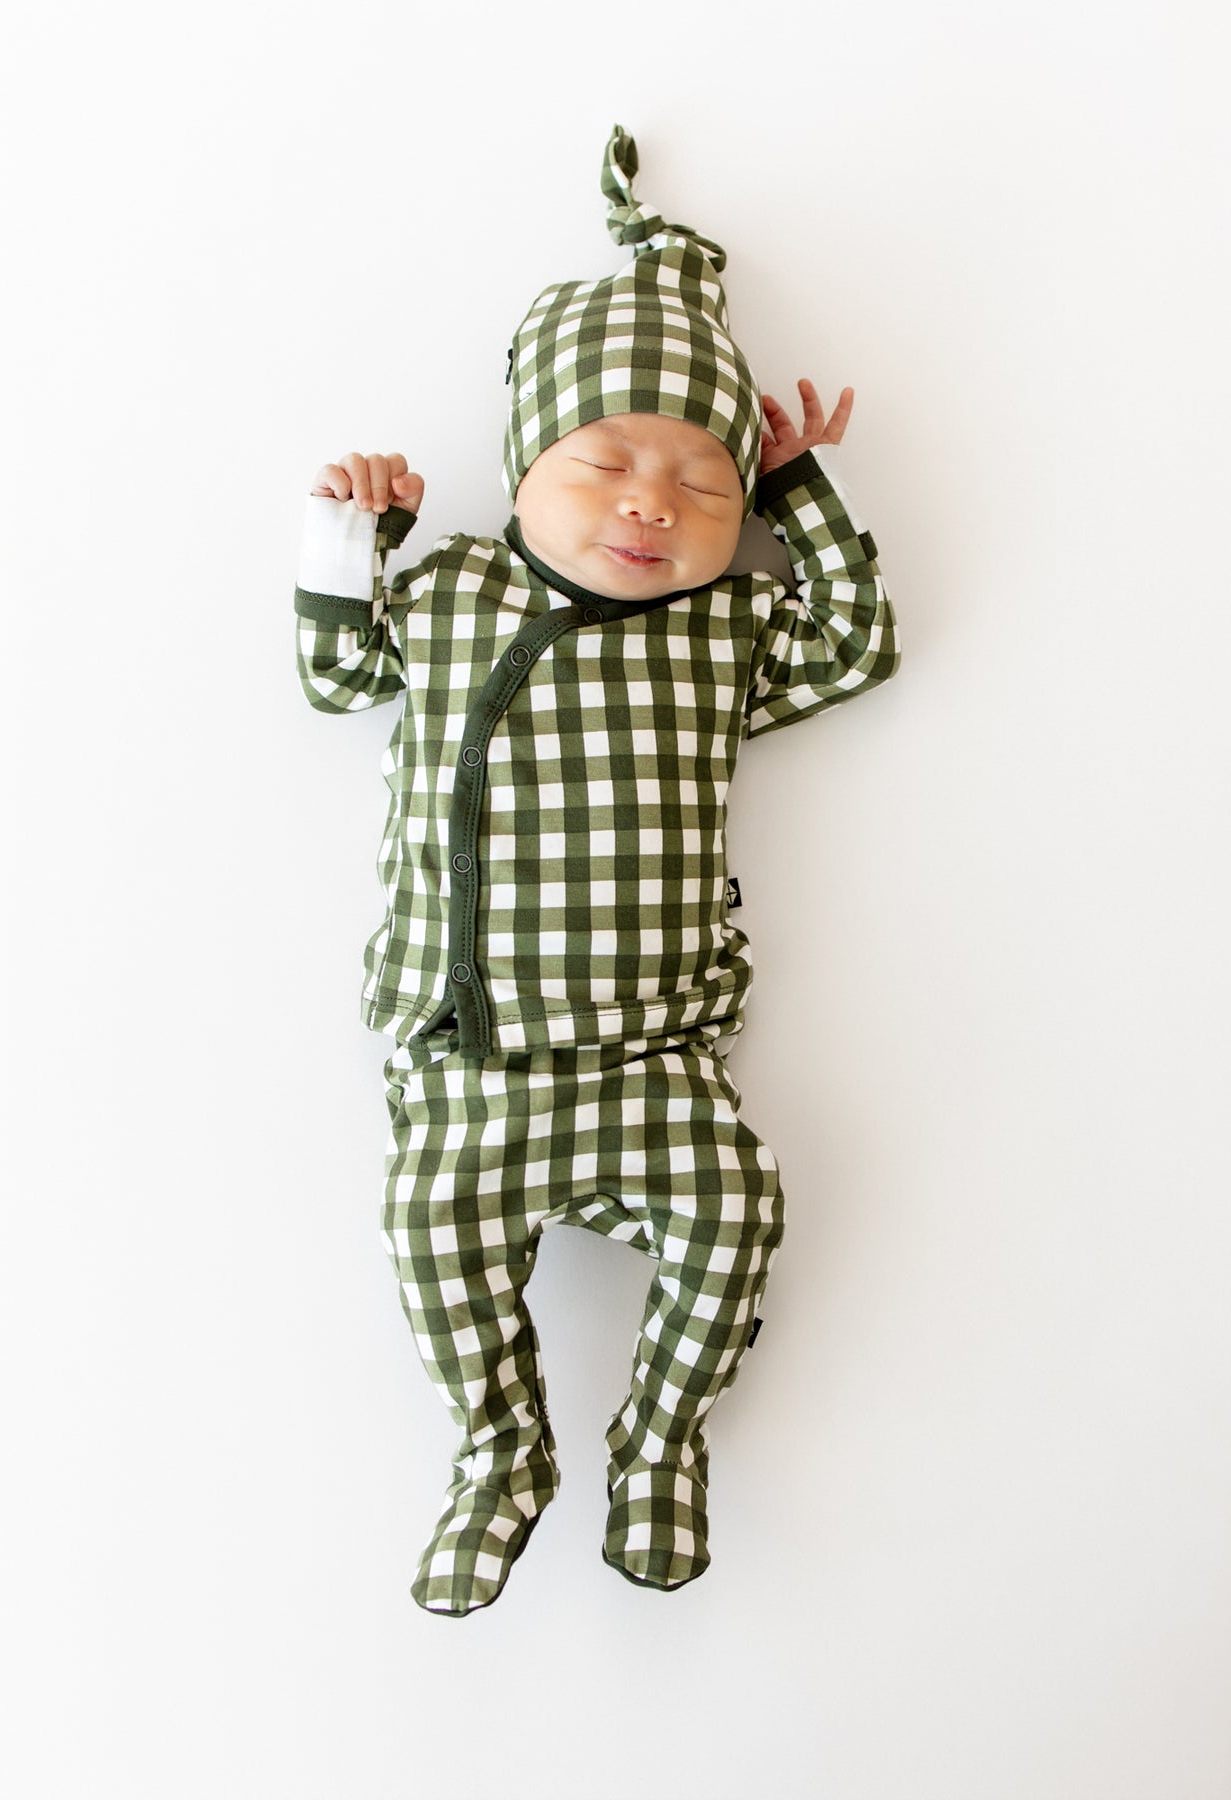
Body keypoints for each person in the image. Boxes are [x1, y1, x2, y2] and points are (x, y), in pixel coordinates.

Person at [291, 123, 899, 1616]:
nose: (652, 504)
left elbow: (858, 644)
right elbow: (328, 673)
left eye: (701, 483)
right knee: (434, 1239)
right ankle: (502, 1454)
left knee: (737, 1206)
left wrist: (800, 488)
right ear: (528, 465)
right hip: (474, 1058)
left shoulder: (723, 630)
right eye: (611, 463)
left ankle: (658, 1438)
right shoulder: (447, 594)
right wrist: (345, 536)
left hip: (653, 1062)